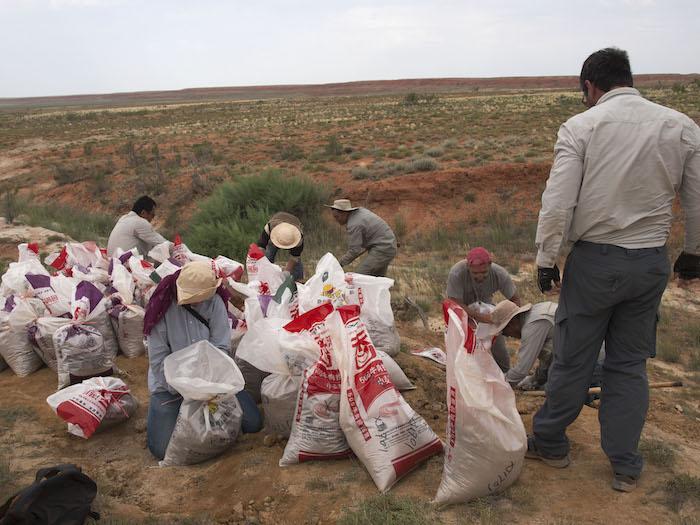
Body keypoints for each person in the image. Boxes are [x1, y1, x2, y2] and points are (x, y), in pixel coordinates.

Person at [530, 47, 700, 492]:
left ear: (590, 85)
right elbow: (697, 199)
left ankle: (549, 443)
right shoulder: (680, 126)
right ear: (628, 78)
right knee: (628, 366)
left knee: (572, 360)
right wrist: (694, 252)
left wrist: (546, 258)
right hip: (649, 263)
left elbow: (558, 201)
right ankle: (625, 464)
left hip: (594, 262)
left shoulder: (581, 127)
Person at [143, 261, 263, 460]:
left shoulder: (214, 302)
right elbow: (158, 362)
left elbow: (221, 348)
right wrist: (188, 391)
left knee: (252, 423)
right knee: (161, 448)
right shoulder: (161, 307)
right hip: (171, 386)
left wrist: (207, 387)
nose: (199, 302)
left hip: (212, 382)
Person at [446, 247, 522, 372]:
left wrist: (506, 320)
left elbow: (515, 300)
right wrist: (477, 317)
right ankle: (461, 373)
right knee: (462, 345)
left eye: (484, 272)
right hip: (461, 310)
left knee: (498, 343)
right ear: (468, 267)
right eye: (475, 273)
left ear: (490, 265)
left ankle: (506, 375)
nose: (480, 276)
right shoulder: (457, 273)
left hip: (486, 308)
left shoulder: (500, 274)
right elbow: (454, 302)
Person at [326, 199, 397, 277]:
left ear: (344, 213)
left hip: (383, 248)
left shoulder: (354, 224)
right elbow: (361, 247)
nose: (336, 220)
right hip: (386, 245)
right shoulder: (360, 212)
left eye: (337, 217)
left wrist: (339, 264)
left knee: (358, 278)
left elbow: (355, 251)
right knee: (377, 280)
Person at [256, 212, 304, 281]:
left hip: (293, 233)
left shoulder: (298, 238)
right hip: (273, 240)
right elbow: (261, 246)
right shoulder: (269, 228)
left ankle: (298, 281)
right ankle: (265, 279)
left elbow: (295, 256)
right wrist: (261, 264)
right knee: (268, 256)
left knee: (296, 265)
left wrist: (286, 272)